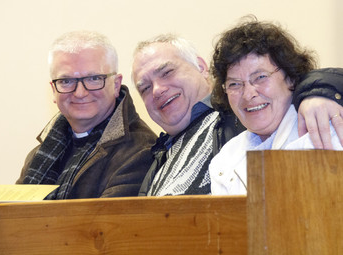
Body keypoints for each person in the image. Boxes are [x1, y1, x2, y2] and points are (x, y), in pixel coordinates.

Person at [132, 33, 343, 196]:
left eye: (167, 72)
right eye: (144, 88)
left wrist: (322, 92)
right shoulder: (163, 155)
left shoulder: (228, 119)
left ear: (201, 67)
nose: (157, 90)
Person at [208, 18, 343, 195]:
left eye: (260, 77)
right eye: (234, 84)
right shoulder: (225, 159)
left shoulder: (324, 125)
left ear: (291, 77)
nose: (248, 94)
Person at [16, 30, 157, 199]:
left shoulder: (141, 151)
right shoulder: (39, 155)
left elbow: (105, 225)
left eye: (93, 78)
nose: (80, 93)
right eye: (66, 81)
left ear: (116, 84)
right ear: (54, 90)